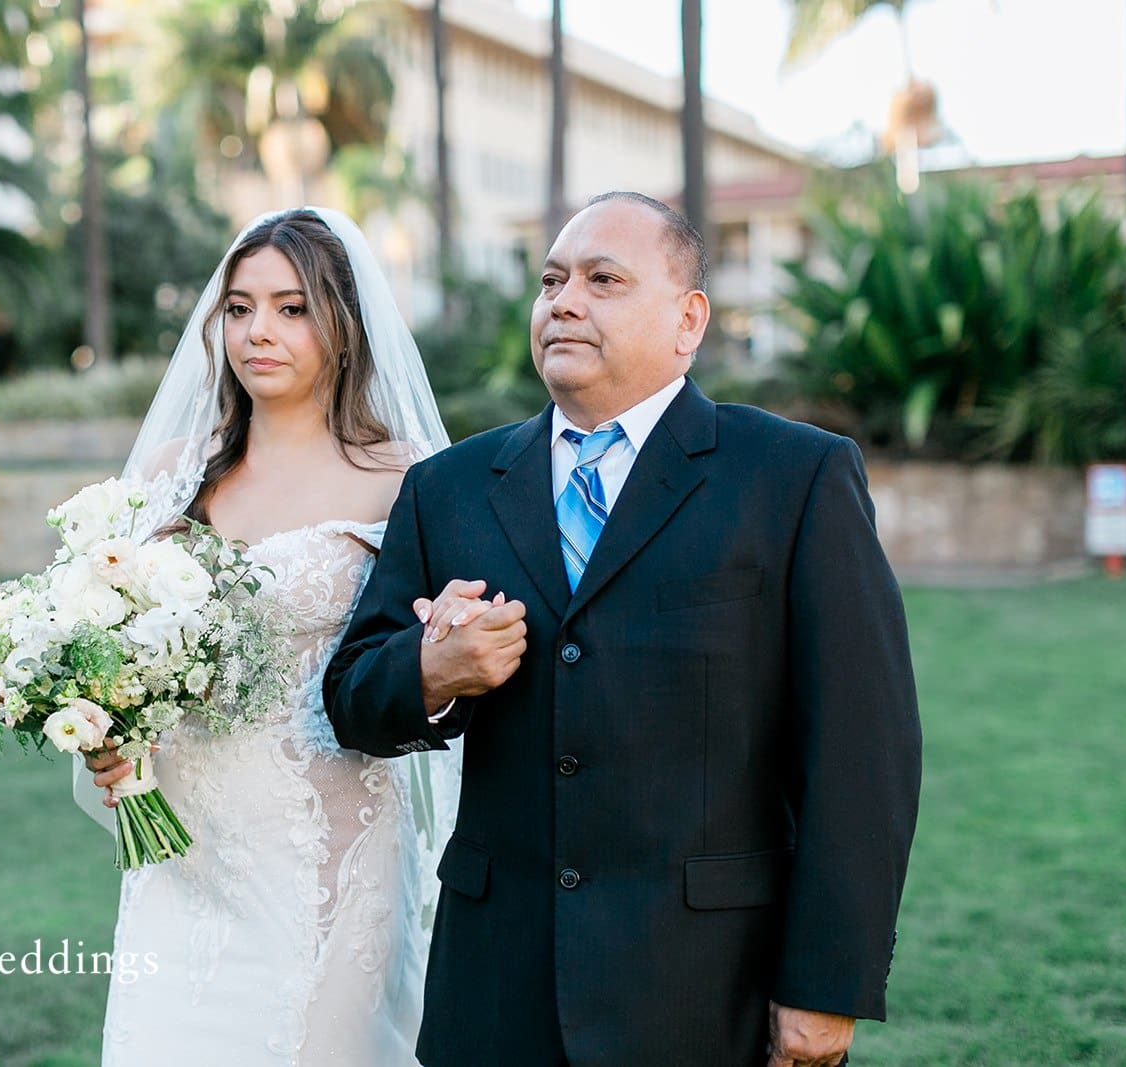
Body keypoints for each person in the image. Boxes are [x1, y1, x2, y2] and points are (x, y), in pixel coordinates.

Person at [323, 191, 923, 1067]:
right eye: (552, 280)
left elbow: (863, 753)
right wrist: (429, 670)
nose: (564, 300)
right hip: (495, 991)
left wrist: (827, 983)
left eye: (604, 280)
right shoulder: (447, 487)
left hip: (705, 987)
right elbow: (349, 700)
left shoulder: (794, 480)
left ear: (689, 321)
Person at [73, 207, 457, 1066]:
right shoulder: (169, 468)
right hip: (180, 857)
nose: (259, 332)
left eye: (292, 308)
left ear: (346, 324)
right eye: (240, 308)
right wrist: (108, 731)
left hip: (327, 856)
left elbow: (424, 663)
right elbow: (105, 637)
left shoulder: (407, 478)